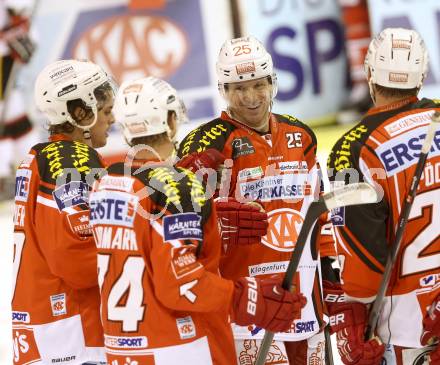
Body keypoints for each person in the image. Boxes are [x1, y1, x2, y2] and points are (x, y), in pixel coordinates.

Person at [89, 75, 306, 365]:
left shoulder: (104, 182)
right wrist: (246, 297)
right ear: (170, 120)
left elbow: (143, 246)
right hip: (180, 346)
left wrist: (211, 222)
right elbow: (181, 284)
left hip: (124, 349)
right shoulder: (179, 186)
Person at [176, 35, 336, 365]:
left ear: (272, 83)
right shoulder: (205, 141)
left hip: (303, 290)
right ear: (224, 89)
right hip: (248, 301)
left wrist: (332, 278)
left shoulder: (301, 135)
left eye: (258, 85)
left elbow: (317, 213)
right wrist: (210, 210)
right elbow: (180, 223)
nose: (250, 97)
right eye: (238, 88)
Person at [326, 27, 440, 364]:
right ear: (422, 75)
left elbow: (363, 267)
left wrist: (354, 311)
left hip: (409, 329)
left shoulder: (352, 149)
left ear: (369, 73)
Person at [12, 59, 116, 364]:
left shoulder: (38, 157)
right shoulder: (74, 161)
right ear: (81, 113)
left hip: (44, 330)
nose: (112, 119)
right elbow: (77, 259)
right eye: (106, 111)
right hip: (73, 335)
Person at [0, 1, 38, 198]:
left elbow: (29, 41)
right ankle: (2, 178)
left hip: (6, 82)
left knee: (17, 124)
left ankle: (35, 174)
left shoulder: (12, 8)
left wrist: (23, 37)